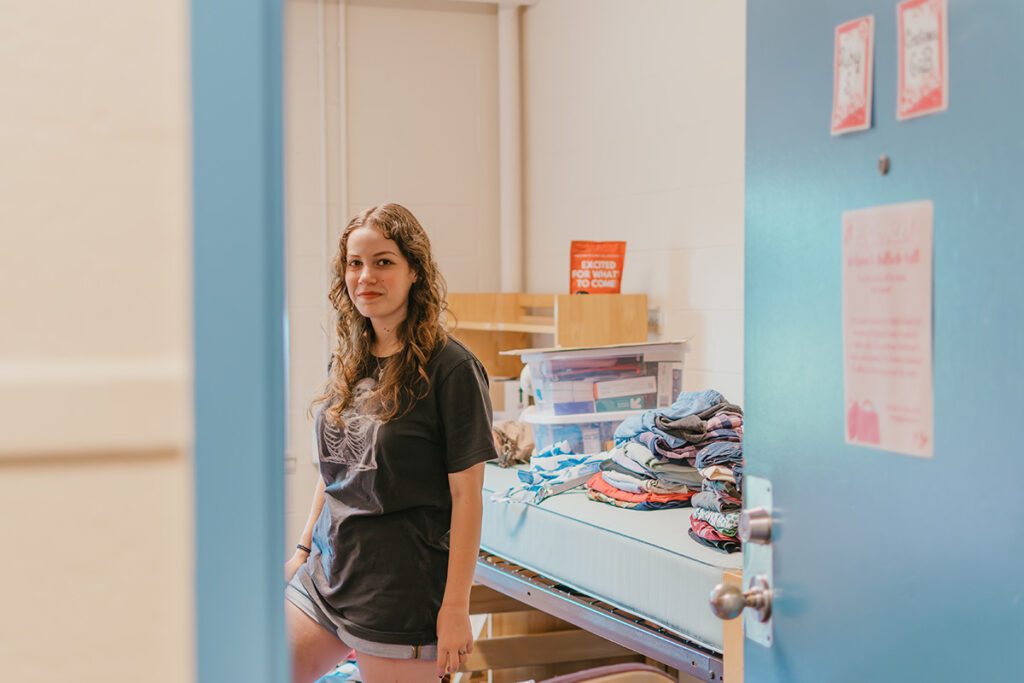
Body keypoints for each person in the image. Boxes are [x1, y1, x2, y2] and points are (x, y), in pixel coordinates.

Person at [284, 203, 497, 683]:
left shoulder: (452, 369)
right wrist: (301, 548)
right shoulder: (350, 357)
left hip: (400, 593)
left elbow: (467, 497)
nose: (366, 276)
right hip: (329, 573)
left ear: (414, 271)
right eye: (355, 263)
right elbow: (336, 469)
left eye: (383, 261)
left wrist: (455, 607)